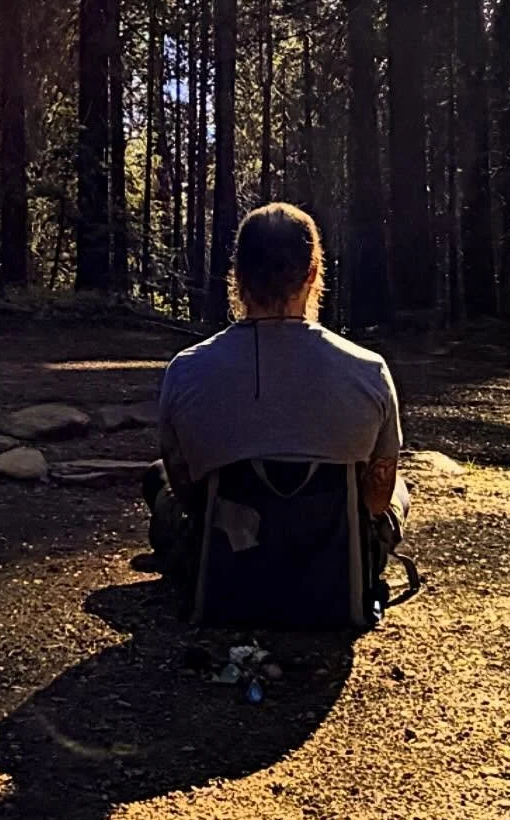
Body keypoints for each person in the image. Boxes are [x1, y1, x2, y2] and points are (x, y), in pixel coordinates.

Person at [147, 203, 409, 608]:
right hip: (335, 579)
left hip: (228, 572)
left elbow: (188, 495)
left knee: (157, 478)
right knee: (399, 490)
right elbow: (376, 501)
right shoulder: (368, 371)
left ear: (237, 276)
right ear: (313, 273)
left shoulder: (186, 370)